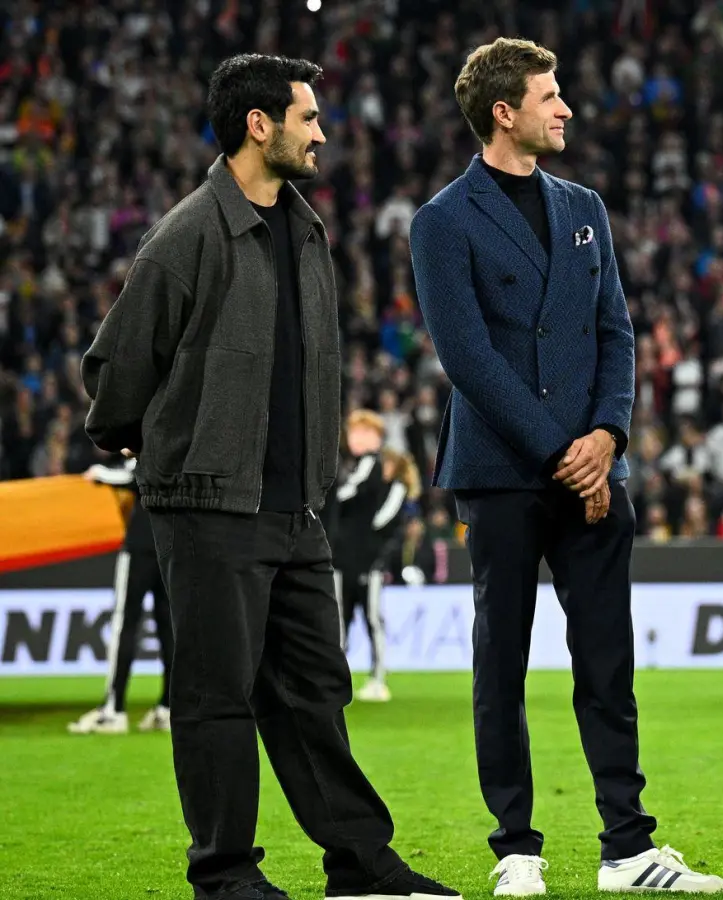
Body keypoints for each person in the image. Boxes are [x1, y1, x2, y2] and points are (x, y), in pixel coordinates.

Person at [79, 53, 459, 900]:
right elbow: (115, 370)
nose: (322, 131)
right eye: (309, 116)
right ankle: (225, 876)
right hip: (209, 506)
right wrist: (158, 443)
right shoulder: (186, 235)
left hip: (295, 508)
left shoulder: (304, 227)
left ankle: (358, 865)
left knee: (315, 692)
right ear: (261, 125)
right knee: (217, 699)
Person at [409, 38, 723, 896]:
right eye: (551, 97)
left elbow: (616, 332)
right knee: (499, 664)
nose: (567, 110)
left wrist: (608, 438)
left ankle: (628, 849)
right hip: (505, 471)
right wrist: (565, 451)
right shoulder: (440, 220)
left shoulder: (584, 204)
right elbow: (467, 359)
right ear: (504, 112)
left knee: (607, 664)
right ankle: (516, 847)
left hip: (594, 467)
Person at [68, 456, 173, 735]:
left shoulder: (150, 443)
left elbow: (136, 477)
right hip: (172, 545)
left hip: (140, 547)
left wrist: (99, 472)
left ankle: (113, 710)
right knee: (170, 628)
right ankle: (168, 708)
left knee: (124, 625)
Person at [332, 409, 405, 703]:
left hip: (362, 558)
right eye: (353, 432)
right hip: (342, 557)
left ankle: (377, 678)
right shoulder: (355, 465)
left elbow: (344, 494)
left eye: (363, 433)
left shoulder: (368, 464)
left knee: (370, 618)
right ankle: (338, 678)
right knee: (340, 619)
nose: (355, 438)